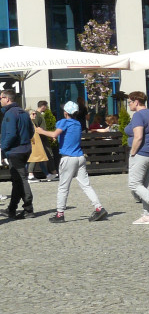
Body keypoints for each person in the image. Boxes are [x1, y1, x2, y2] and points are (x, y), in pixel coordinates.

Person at [38, 101, 108, 223]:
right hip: (80, 157)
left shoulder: (63, 122)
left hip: (68, 158)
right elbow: (63, 136)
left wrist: (41, 131)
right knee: (86, 185)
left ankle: (60, 214)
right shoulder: (77, 124)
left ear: (66, 112)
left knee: (63, 187)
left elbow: (54, 134)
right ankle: (99, 207)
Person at [0, 89, 35, 219]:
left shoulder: (10, 114)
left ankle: (28, 208)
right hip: (25, 149)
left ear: (7, 99)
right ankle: (12, 209)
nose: (0, 100)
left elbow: (11, 135)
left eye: (1, 98)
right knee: (17, 180)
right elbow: (31, 131)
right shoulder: (24, 113)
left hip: (15, 151)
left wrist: (3, 148)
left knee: (21, 179)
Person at [125, 91, 149, 225]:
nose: (129, 105)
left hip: (140, 153)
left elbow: (138, 136)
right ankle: (147, 215)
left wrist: (133, 153)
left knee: (134, 184)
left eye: (130, 102)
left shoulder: (138, 115)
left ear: (136, 102)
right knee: (147, 184)